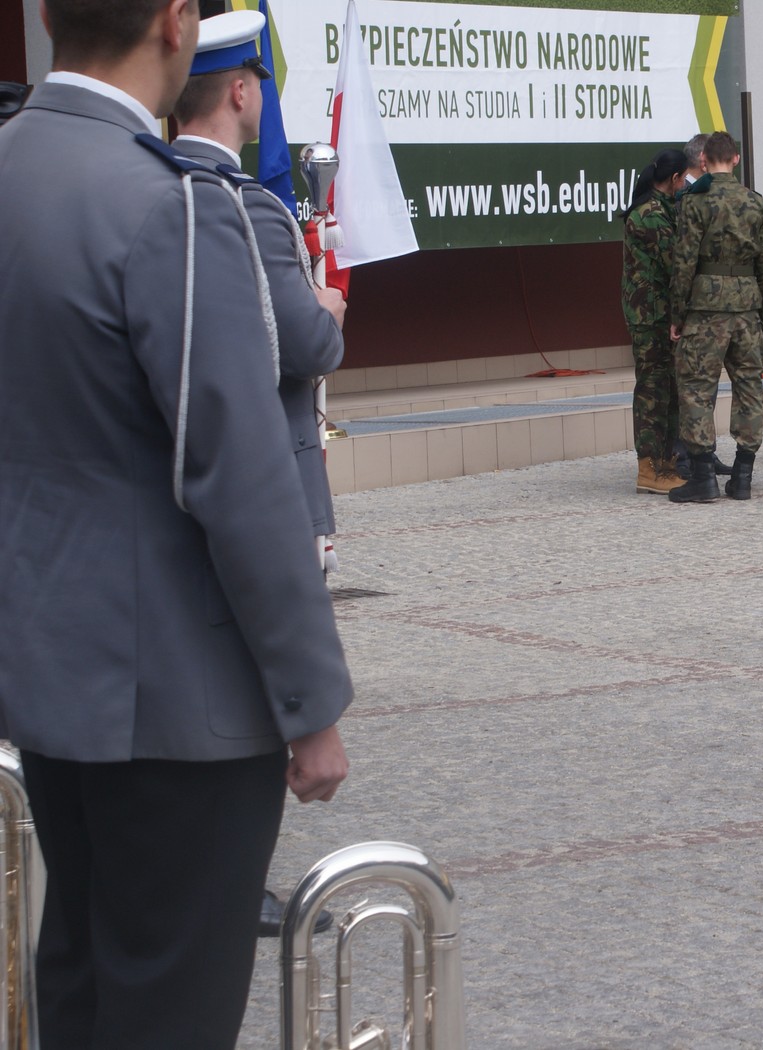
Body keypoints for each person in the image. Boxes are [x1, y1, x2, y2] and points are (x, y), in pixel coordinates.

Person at [0, 2, 352, 1045]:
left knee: (81, 981)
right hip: (177, 696)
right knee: (170, 1009)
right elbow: (238, 476)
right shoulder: (173, 207)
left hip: (46, 672)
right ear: (176, 22)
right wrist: (311, 700)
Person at [171, 7, 350, 941]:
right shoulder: (246, 207)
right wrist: (328, 308)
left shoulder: (156, 186)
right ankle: (235, 883)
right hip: (263, 476)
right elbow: (301, 345)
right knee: (248, 688)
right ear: (242, 93)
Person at [667, 130, 763, 502]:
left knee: (696, 388)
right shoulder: (756, 203)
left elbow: (684, 263)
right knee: (749, 388)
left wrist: (677, 314)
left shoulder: (694, 203)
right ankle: (743, 477)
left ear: (703, 161)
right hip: (746, 309)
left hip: (706, 310)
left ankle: (702, 478)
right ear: (736, 159)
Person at [620, 147, 688, 494]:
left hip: (662, 315)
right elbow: (675, 263)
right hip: (651, 316)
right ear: (674, 179)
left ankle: (665, 462)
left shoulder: (663, 209)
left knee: (669, 389)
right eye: (684, 178)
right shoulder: (650, 214)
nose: (685, 184)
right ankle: (648, 468)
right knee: (652, 391)